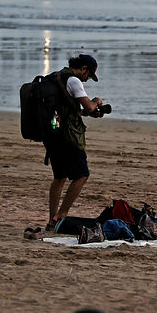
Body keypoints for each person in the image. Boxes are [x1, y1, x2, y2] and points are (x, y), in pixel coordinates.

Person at [44, 54, 106, 231]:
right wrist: (96, 102)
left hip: (53, 134)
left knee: (60, 177)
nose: (87, 80)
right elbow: (88, 106)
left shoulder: (57, 77)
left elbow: (71, 109)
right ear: (84, 68)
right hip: (68, 137)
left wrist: (92, 112)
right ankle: (61, 215)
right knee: (82, 174)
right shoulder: (74, 81)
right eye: (88, 76)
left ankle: (51, 221)